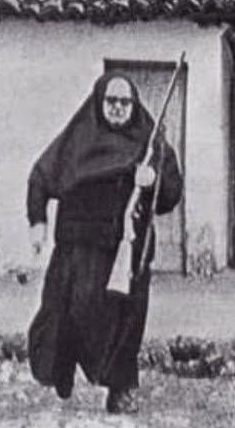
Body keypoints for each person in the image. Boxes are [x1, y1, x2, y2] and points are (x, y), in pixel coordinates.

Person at [26, 73, 183, 414]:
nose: (117, 108)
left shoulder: (149, 142)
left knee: (124, 324)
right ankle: (61, 374)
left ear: (134, 105)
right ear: (99, 101)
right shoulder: (77, 138)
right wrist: (37, 221)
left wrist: (152, 179)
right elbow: (40, 176)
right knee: (67, 315)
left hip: (125, 251)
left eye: (125, 102)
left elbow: (171, 194)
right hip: (77, 250)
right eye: (111, 101)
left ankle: (120, 390)